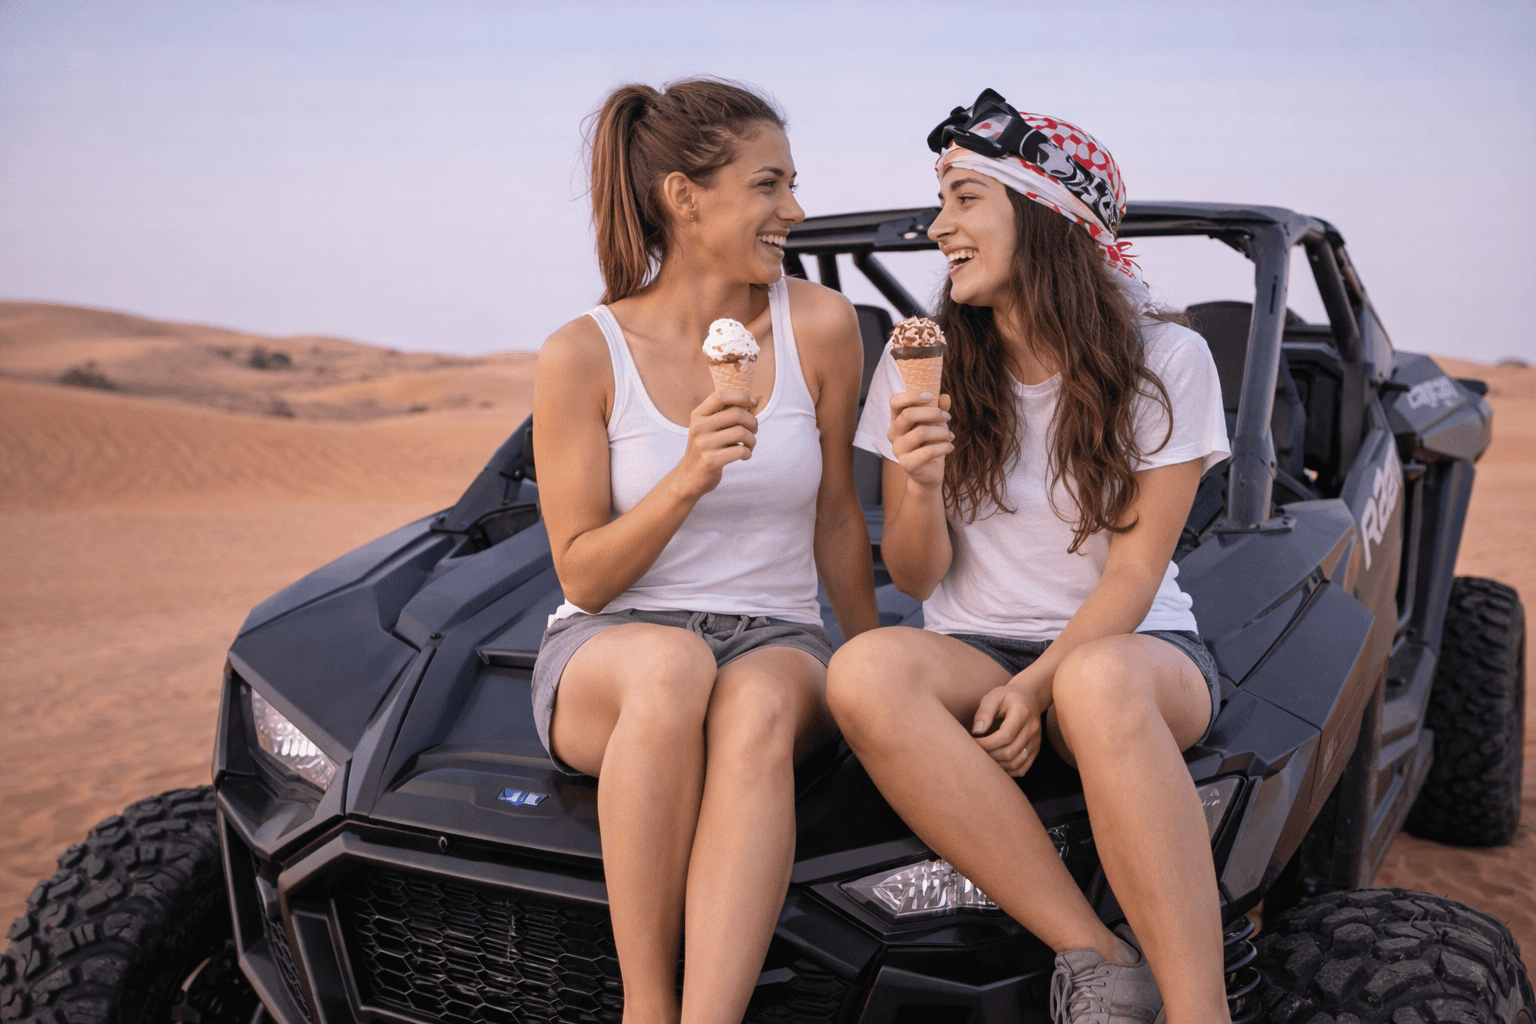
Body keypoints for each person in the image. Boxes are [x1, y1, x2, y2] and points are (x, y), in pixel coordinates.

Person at [824, 90, 1232, 1024]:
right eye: (941, 202)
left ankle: (1201, 1012)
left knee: (1095, 685)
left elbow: (1133, 576)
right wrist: (920, 482)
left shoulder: (1166, 359)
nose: (938, 228)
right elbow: (919, 581)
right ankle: (1094, 957)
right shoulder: (919, 361)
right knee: (864, 669)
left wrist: (1042, 683)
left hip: (1139, 654)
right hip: (975, 651)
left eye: (966, 199)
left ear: (1046, 216)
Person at [531, 78, 878, 1024]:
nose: (794, 211)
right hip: (615, 645)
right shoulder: (582, 352)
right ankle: (649, 1005)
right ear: (686, 197)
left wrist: (870, 663)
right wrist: (687, 475)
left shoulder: (824, 327)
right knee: (674, 668)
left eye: (792, 184)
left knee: (758, 702)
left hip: (779, 636)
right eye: (769, 185)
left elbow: (839, 516)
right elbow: (583, 574)